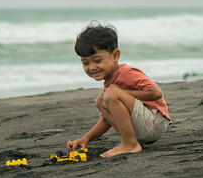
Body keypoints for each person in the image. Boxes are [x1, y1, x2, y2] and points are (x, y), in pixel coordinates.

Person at [67, 22, 171, 158]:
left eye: (97, 60)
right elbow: (107, 120)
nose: (91, 67)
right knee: (101, 100)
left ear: (115, 56)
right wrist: (86, 138)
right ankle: (133, 142)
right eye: (86, 63)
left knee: (110, 94)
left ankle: (130, 143)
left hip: (155, 122)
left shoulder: (126, 72)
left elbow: (156, 93)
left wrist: (119, 93)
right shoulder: (110, 83)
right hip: (143, 127)